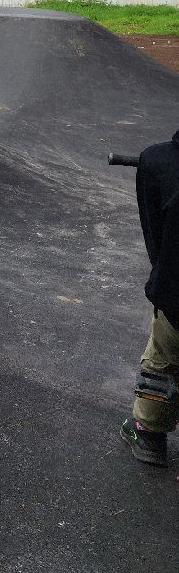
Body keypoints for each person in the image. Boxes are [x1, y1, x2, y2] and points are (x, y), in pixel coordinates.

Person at [120, 128, 179, 467]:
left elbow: (154, 236)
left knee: (162, 358)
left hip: (176, 299)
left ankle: (150, 435)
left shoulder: (159, 163)